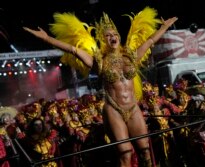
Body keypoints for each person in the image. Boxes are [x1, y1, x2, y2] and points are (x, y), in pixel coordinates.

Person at [23, 7, 177, 167]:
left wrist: (164, 27)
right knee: (125, 153)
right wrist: (47, 38)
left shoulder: (131, 56)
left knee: (145, 150)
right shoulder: (99, 61)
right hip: (114, 109)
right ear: (104, 40)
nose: (112, 37)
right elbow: (72, 49)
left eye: (115, 34)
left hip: (133, 108)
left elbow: (151, 40)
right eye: (108, 35)